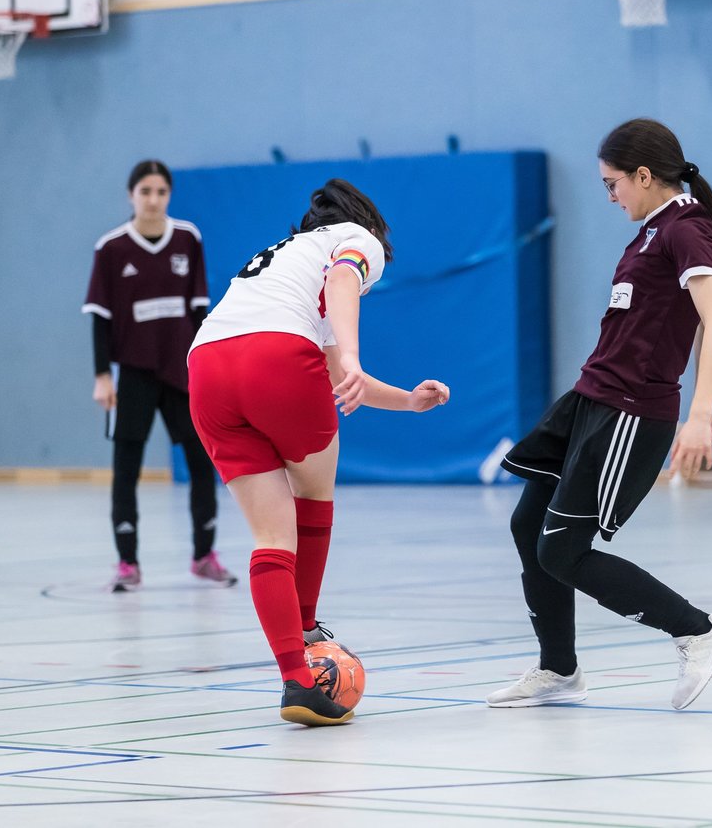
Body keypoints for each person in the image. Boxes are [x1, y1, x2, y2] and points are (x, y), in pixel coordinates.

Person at [487, 118, 712, 712]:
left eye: (613, 184)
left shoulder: (688, 229)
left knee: (562, 550)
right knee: (528, 526)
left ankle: (699, 631)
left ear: (645, 175)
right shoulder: (649, 232)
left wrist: (702, 414)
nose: (610, 196)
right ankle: (559, 669)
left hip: (631, 411)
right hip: (588, 401)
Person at [187, 178, 450, 726]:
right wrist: (353, 355)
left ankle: (297, 680)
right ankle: (306, 626)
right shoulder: (357, 238)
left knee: (270, 536)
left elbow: (332, 367)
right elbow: (344, 279)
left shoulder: (282, 256)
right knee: (313, 491)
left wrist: (404, 400)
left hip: (206, 368)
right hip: (277, 357)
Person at [82, 160, 232, 593]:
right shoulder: (110, 248)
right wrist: (100, 376)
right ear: (131, 195)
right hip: (132, 373)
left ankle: (204, 556)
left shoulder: (188, 238)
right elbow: (99, 319)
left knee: (203, 463)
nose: (153, 199)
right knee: (125, 469)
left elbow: (200, 312)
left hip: (183, 373)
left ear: (169, 195)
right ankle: (128, 563)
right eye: (145, 191)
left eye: (161, 191)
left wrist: (211, 369)